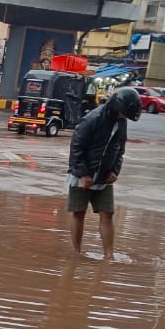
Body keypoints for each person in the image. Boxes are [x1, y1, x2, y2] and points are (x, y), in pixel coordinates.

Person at [66, 86, 141, 259]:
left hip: (104, 176)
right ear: (116, 106)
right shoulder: (92, 119)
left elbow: (120, 148)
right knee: (79, 213)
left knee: (107, 213)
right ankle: (76, 253)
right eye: (123, 114)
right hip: (82, 175)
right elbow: (76, 147)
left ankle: (109, 256)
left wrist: (115, 171)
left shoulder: (121, 122)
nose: (124, 117)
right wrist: (83, 174)